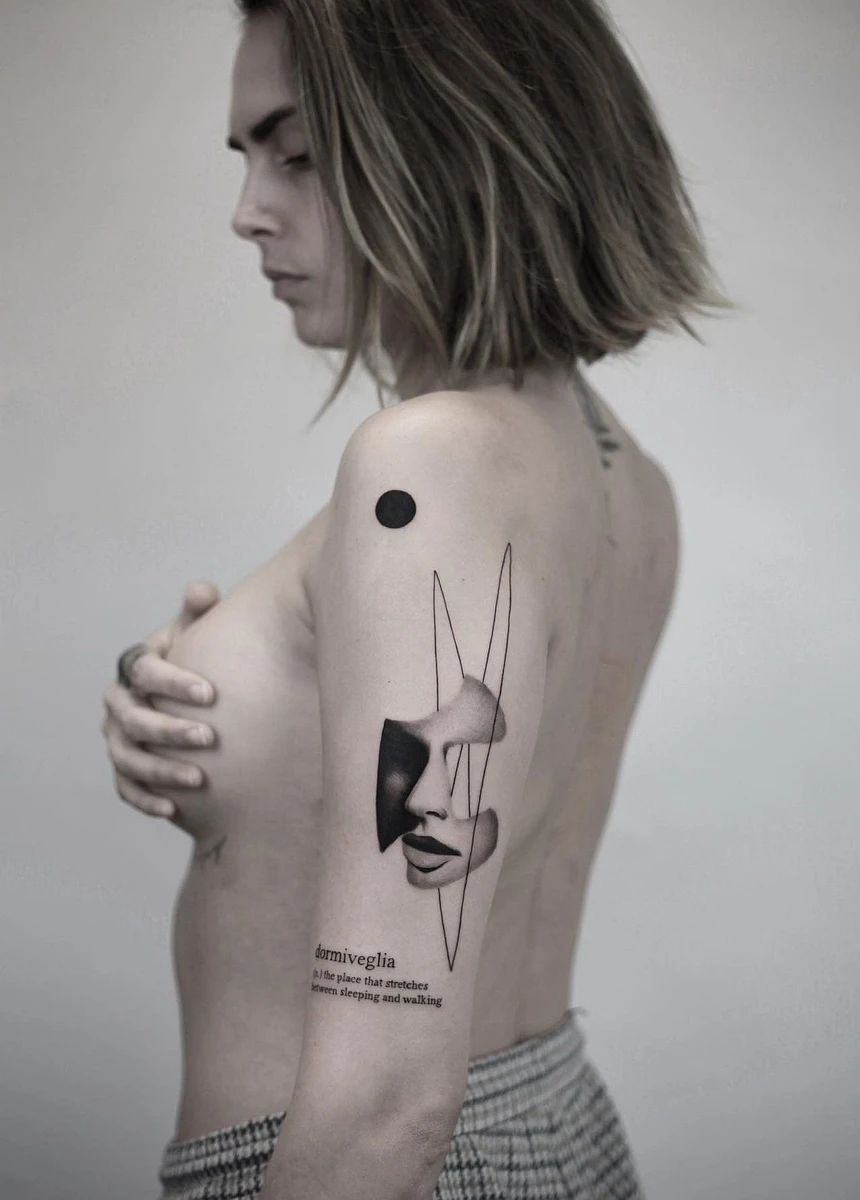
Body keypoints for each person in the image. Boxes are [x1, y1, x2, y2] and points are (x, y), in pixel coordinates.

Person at [100, 1, 734, 1196]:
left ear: (455, 138)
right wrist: (201, 707)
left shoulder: (430, 464)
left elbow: (386, 1105)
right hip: (553, 1120)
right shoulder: (618, 474)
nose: (246, 211)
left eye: (297, 153)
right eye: (245, 157)